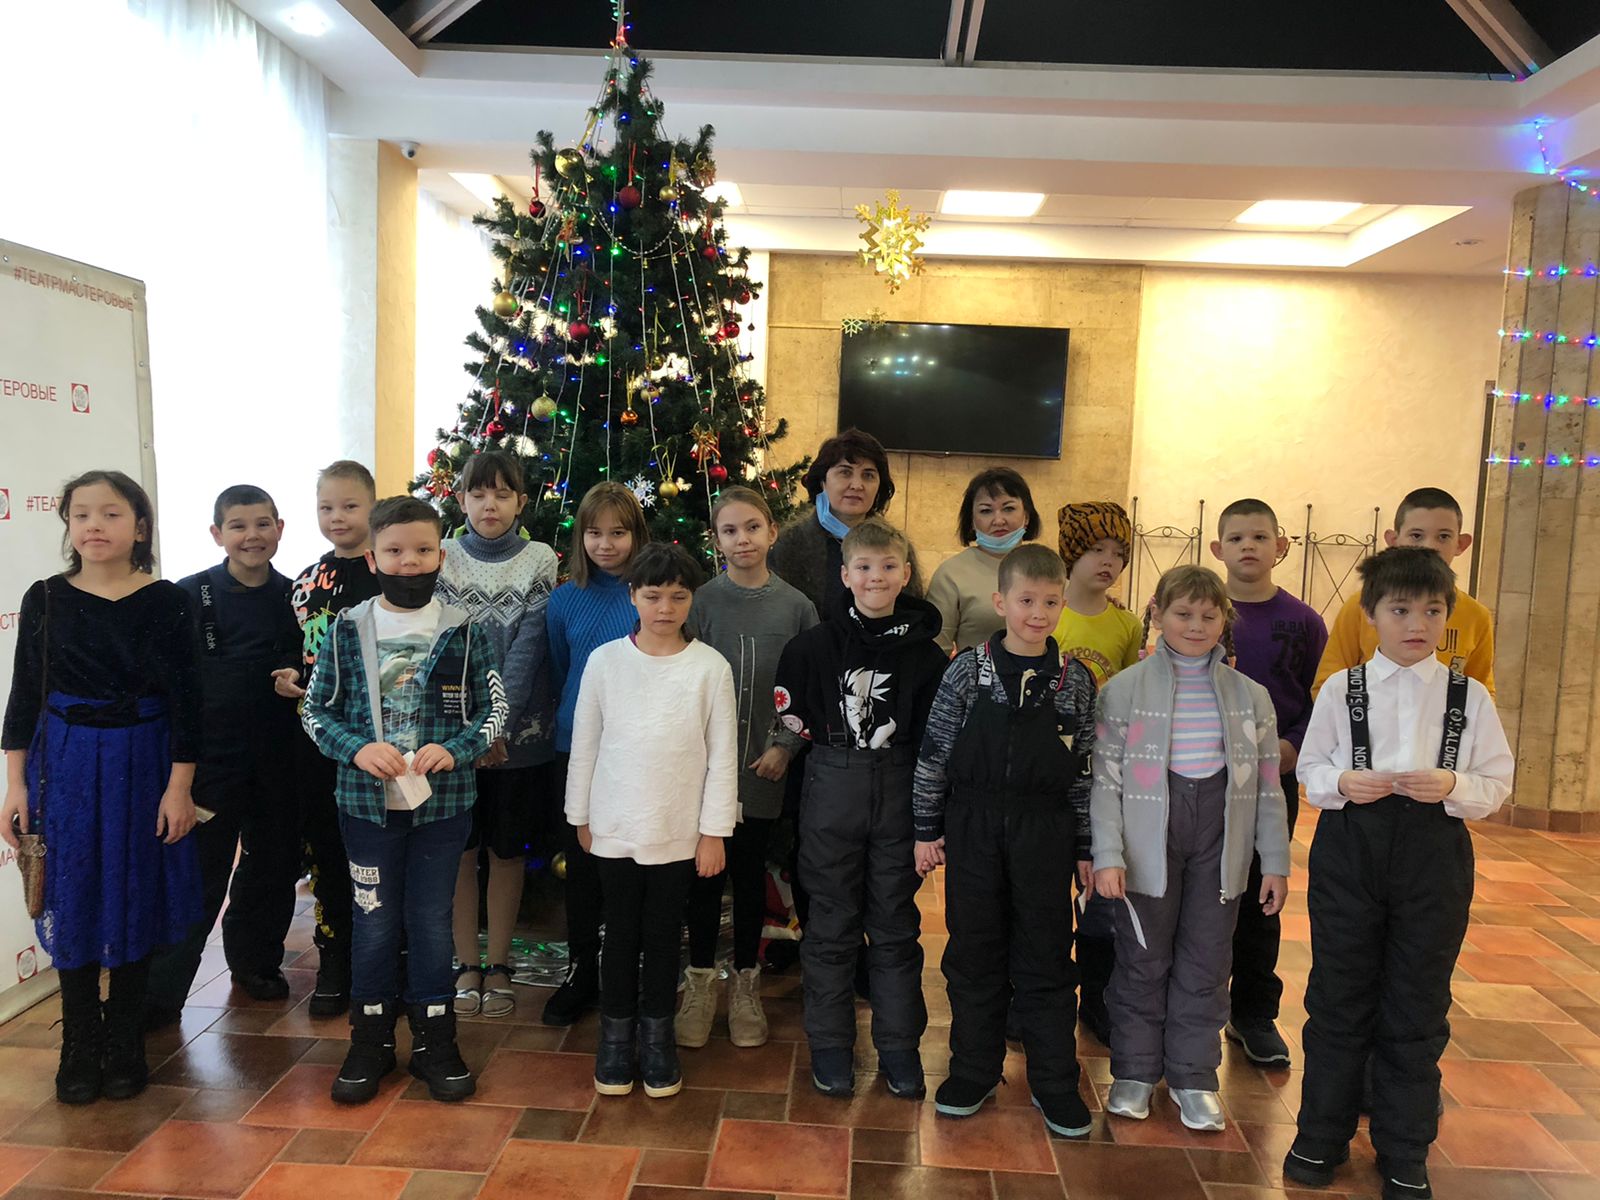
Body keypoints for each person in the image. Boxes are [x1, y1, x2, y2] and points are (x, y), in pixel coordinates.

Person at [1284, 548, 1512, 1200]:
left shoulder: (1469, 696)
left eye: (1432, 611)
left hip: (1435, 857)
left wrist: (1453, 785)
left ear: (1448, 617)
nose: (1417, 623)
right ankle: (1320, 1135)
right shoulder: (1341, 689)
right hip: (1350, 852)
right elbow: (1311, 769)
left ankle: (1405, 1149)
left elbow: (1495, 782)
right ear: (1371, 614)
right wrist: (1341, 782)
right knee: (1338, 996)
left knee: (1418, 1002)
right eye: (1401, 610)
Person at [1, 470, 203, 1105]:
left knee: (136, 886)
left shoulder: (169, 600)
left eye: (111, 514)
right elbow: (24, 695)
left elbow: (189, 702)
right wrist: (14, 784)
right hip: (63, 763)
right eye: (81, 513)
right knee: (74, 889)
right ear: (67, 523)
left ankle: (125, 1040)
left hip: (145, 761)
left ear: (139, 527)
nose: (94, 525)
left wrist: (179, 788)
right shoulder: (45, 597)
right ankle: (80, 1041)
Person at [301, 496, 507, 1105]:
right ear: (373, 559)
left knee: (432, 921)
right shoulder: (348, 628)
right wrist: (358, 749)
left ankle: (435, 1042)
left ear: (441, 556)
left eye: (422, 550)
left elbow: (495, 709)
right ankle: (369, 1041)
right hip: (365, 810)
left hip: (442, 810)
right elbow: (315, 711)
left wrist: (458, 748)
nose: (409, 562)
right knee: (373, 923)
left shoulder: (465, 629)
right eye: (394, 551)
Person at [1090, 565, 1290, 1132]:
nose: (1196, 626)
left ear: (1225, 620)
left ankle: (1194, 1077)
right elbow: (1104, 782)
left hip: (1220, 844)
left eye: (1209, 615)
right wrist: (1108, 853)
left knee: (1207, 958)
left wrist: (1274, 861)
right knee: (1142, 957)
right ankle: (1133, 1071)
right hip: (1147, 844)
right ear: (1157, 614)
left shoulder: (1251, 697)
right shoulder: (1124, 690)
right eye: (1183, 614)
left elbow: (1268, 788)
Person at [913, 544, 1098, 1138]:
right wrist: (925, 829)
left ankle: (1054, 1081)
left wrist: (1086, 846)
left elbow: (1086, 771)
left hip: (1046, 832)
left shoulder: (1075, 681)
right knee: (974, 953)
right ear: (1000, 602)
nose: (1038, 613)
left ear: (1063, 604)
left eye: (1050, 602)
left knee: (1047, 957)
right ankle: (974, 1070)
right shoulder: (968, 671)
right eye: (1026, 601)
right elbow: (935, 752)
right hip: (974, 826)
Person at [773, 516, 946, 1100]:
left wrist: (931, 817)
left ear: (905, 574)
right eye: (864, 567)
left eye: (888, 566)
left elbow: (935, 740)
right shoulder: (812, 648)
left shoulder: (927, 657)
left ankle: (899, 1048)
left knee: (895, 927)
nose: (876, 577)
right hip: (831, 788)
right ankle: (829, 1044)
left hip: (900, 791)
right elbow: (793, 718)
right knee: (829, 925)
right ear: (845, 575)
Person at [566, 543, 738, 1097]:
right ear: (633, 596)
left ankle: (658, 1039)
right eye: (653, 595)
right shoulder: (605, 662)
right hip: (613, 825)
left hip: (679, 831)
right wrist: (580, 816)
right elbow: (585, 744)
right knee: (619, 935)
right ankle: (615, 1040)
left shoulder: (710, 668)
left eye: (678, 597)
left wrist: (713, 832)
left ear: (692, 600)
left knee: (664, 937)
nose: (665, 608)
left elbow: (723, 756)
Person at [144, 485, 305, 1030]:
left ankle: (256, 964)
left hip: (281, 756)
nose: (251, 536)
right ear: (217, 534)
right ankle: (161, 994)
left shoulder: (298, 596)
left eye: (262, 524)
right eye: (238, 525)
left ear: (280, 528)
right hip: (210, 762)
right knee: (199, 874)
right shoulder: (188, 595)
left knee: (274, 866)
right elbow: (166, 682)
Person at [679, 487, 817, 1049]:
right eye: (730, 531)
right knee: (703, 879)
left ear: (772, 532)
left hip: (764, 769)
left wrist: (785, 745)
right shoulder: (700, 603)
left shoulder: (797, 607)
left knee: (749, 872)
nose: (743, 540)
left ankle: (745, 983)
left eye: (753, 527)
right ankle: (698, 984)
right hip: (703, 772)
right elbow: (678, 677)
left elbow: (811, 687)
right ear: (716, 540)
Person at [436, 451, 558, 1020]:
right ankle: (466, 963)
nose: (490, 505)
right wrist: (470, 733)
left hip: (518, 740)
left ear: (521, 503)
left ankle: (501, 963)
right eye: (479, 494)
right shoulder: (443, 557)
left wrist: (497, 727)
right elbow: (443, 648)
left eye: (503, 494)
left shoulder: (539, 559)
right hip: (453, 739)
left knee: (507, 852)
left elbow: (528, 651)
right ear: (461, 500)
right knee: (461, 852)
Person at [1209, 498, 1327, 1068]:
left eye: (1260, 537)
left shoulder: (1304, 622)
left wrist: (1293, 747)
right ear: (1218, 549)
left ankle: (1254, 1013)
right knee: (1200, 892)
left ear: (1281, 546)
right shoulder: (1198, 610)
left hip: (1270, 779)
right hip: (1201, 779)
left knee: (1262, 895)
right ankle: (1187, 1008)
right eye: (1236, 538)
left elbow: (1320, 699)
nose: (1248, 547)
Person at [541, 481, 651, 1027]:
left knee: (629, 866)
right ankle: (582, 969)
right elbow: (562, 669)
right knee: (581, 865)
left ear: (637, 535)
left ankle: (625, 972)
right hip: (577, 749)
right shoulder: (564, 600)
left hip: (639, 751)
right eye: (594, 533)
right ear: (580, 538)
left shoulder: (650, 595)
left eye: (618, 532)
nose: (605, 544)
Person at [278, 459, 382, 1018]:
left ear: (372, 506)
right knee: (326, 849)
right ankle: (334, 958)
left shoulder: (391, 569)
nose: (337, 517)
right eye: (326, 507)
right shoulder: (304, 582)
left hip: (382, 739)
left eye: (349, 506)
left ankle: (386, 961)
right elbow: (291, 650)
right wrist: (286, 674)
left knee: (380, 852)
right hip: (318, 742)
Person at [1051, 500, 1143, 1046]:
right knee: (1045, 893)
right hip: (1052, 777)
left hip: (1106, 777)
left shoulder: (1127, 624)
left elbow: (1132, 697)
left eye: (1118, 552)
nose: (1108, 561)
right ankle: (1041, 993)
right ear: (1071, 553)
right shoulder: (1049, 613)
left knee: (1101, 894)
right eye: (1096, 550)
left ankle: (1098, 998)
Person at [1312, 487, 1493, 697]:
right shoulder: (1360, 605)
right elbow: (1327, 685)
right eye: (1416, 535)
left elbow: (1481, 692)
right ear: (1393, 540)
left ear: (1460, 544)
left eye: (1443, 537)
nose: (1429, 546)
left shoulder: (1476, 616)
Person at [769, 427, 924, 613]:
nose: (857, 485)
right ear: (823, 481)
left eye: (868, 475)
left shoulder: (897, 546)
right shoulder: (788, 545)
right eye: (845, 473)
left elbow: (914, 614)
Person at [926, 467, 1041, 654]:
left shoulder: (1048, 566)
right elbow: (935, 649)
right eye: (986, 511)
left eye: (1008, 508)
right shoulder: (951, 574)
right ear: (972, 520)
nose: (998, 520)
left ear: (1026, 516)